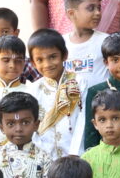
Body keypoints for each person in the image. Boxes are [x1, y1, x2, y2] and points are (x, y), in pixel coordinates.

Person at [81, 31, 120, 151]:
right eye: (115, 60)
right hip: (104, 156)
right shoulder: (95, 91)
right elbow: (91, 133)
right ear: (106, 62)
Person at [25, 28, 83, 159]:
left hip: (75, 157)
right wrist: (41, 156)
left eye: (52, 57)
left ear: (64, 55)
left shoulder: (79, 83)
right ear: (33, 63)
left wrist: (75, 154)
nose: (47, 64)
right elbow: (31, 126)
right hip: (42, 158)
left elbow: (82, 121)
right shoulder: (33, 90)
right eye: (40, 60)